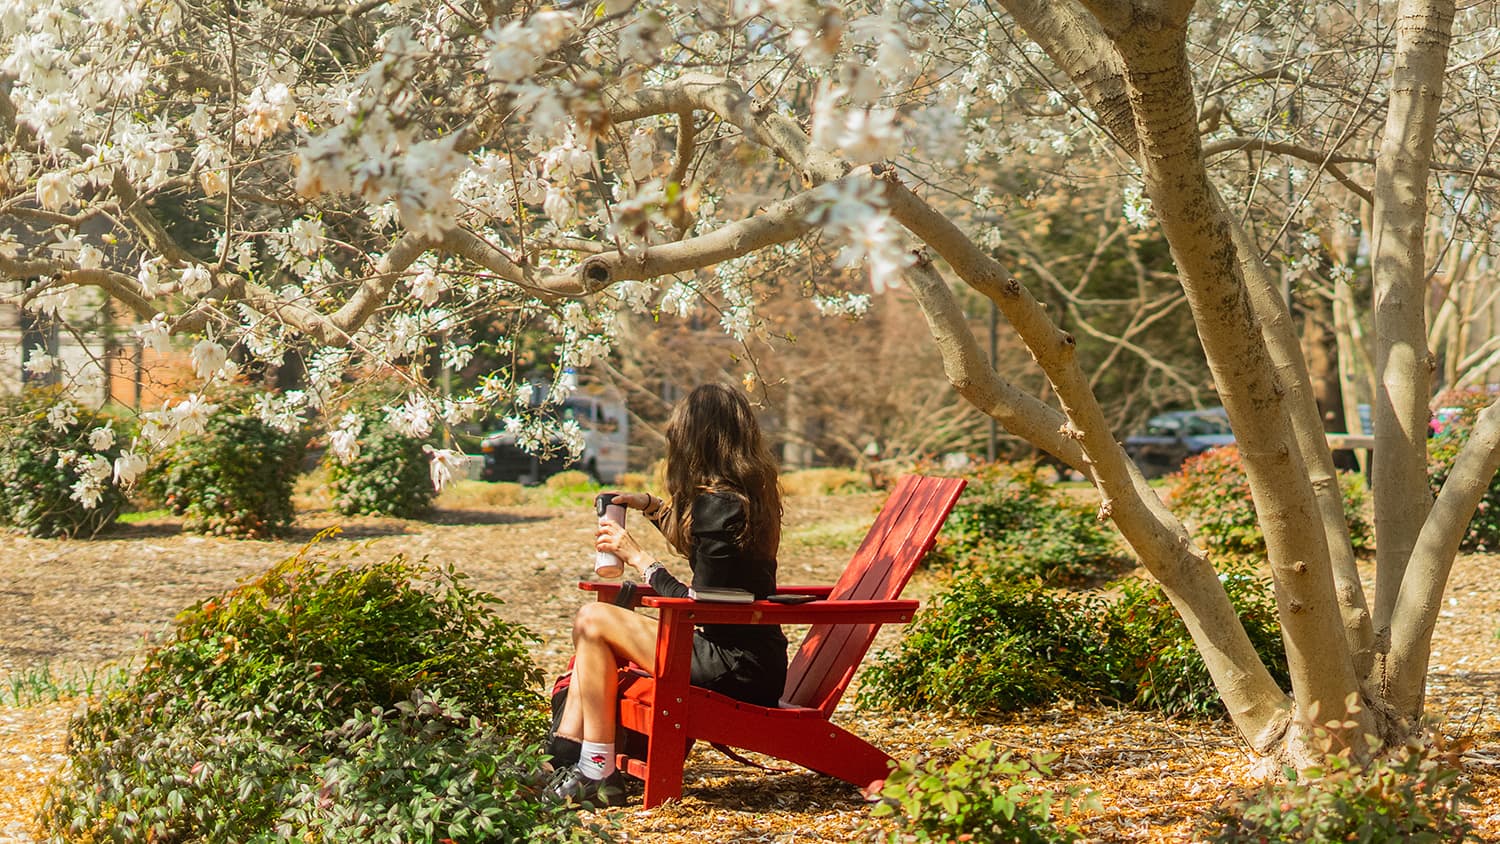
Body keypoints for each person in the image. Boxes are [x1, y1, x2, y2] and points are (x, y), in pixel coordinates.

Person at [544, 383, 787, 807]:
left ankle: (595, 770)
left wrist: (639, 557)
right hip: (744, 654)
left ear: (696, 439)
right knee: (594, 625)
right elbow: (706, 551)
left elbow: (701, 602)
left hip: (732, 666)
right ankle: (569, 758)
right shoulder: (746, 495)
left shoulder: (721, 505)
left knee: (593, 620)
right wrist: (652, 506)